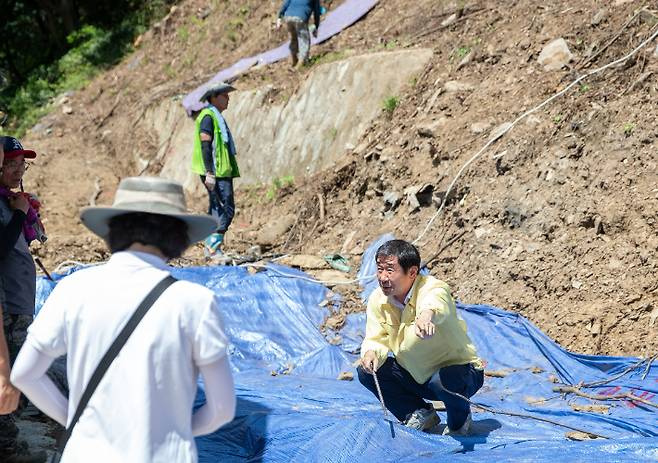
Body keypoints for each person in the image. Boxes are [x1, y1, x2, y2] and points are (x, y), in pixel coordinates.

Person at [11, 176, 237, 462]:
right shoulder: (195, 302)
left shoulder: (73, 289)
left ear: (112, 230)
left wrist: (75, 420)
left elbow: (24, 374)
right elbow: (223, 409)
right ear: (180, 237)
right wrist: (174, 431)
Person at [357, 240, 484, 435]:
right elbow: (376, 337)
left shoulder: (433, 287)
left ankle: (459, 419)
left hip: (460, 375)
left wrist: (426, 315)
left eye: (390, 270)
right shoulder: (378, 299)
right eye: (380, 269)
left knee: (443, 381)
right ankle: (418, 413)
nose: (383, 277)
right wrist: (371, 352)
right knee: (366, 371)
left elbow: (435, 302)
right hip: (417, 375)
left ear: (413, 272)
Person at [0, 136, 46, 463]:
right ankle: (9, 446)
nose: (18, 169)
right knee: (8, 377)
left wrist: (25, 213)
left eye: (22, 163)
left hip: (19, 301)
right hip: (7, 305)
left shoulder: (10, 200)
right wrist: (18, 216)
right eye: (11, 163)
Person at [191, 82, 240, 257]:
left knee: (218, 209)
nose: (228, 98)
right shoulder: (208, 117)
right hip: (215, 171)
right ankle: (212, 248)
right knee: (226, 208)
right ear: (214, 97)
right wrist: (209, 172)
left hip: (221, 170)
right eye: (225, 95)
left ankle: (212, 249)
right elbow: (206, 146)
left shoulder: (215, 116)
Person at [277, 0, 322, 68]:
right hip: (300, 17)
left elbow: (286, 4)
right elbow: (317, 12)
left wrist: (279, 17)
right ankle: (301, 63)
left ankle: (294, 59)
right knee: (304, 40)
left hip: (288, 17)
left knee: (293, 38)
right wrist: (316, 25)